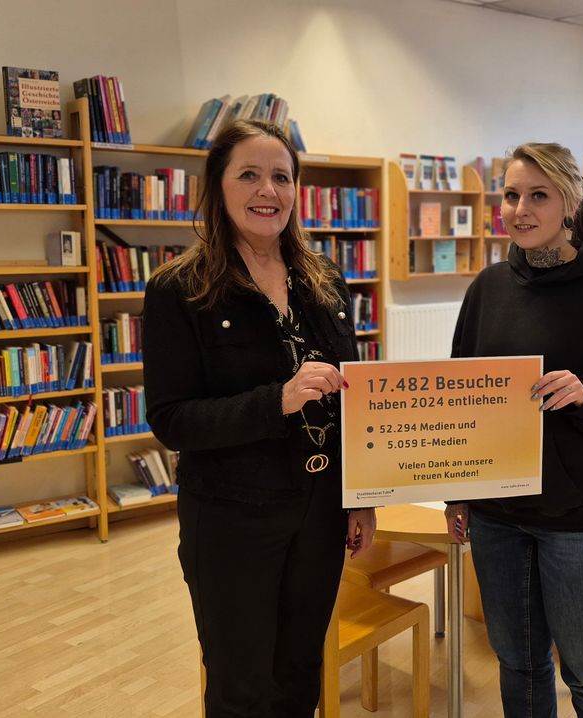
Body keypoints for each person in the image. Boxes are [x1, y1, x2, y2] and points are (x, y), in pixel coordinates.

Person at [143, 119, 377, 717]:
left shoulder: (324, 280)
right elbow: (173, 420)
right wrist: (278, 400)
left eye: (281, 176)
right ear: (217, 187)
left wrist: (361, 496)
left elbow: (352, 397)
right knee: (241, 687)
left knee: (300, 676)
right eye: (248, 174)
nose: (266, 190)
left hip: (320, 513)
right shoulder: (181, 289)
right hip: (231, 519)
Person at [445, 142, 583, 717]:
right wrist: (457, 490)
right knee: (518, 665)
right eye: (512, 195)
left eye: (538, 195)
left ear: (569, 204)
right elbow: (460, 396)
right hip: (498, 516)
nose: (521, 209)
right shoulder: (486, 289)